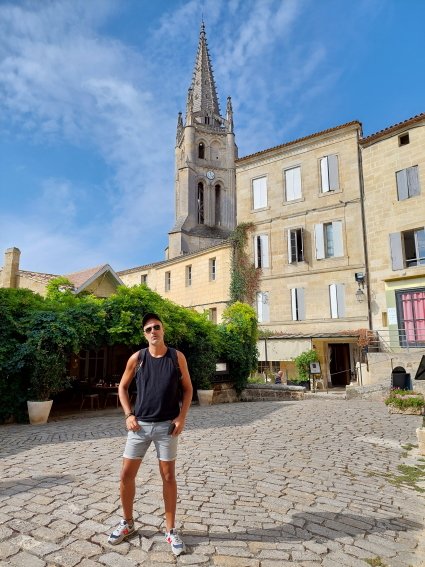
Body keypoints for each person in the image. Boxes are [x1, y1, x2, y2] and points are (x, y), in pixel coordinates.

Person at [108, 312, 193, 556]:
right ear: (144, 334)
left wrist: (181, 417)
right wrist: (128, 415)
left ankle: (170, 530)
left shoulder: (176, 357)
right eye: (148, 329)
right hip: (139, 427)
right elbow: (122, 387)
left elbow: (188, 389)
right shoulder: (138, 358)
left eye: (156, 327)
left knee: (168, 477)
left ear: (163, 330)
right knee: (126, 475)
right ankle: (128, 523)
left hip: (167, 427)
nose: (153, 331)